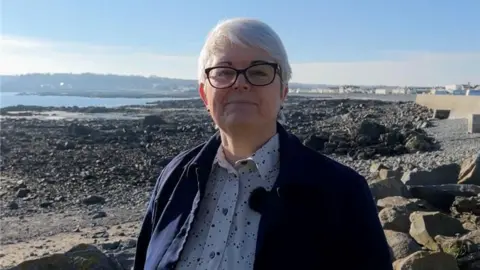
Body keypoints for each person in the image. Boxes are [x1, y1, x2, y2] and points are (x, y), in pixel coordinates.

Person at [133, 18, 392, 270]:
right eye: (224, 72)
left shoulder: (342, 192)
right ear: (204, 94)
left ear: (283, 92)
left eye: (259, 71)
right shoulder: (175, 179)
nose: (241, 83)